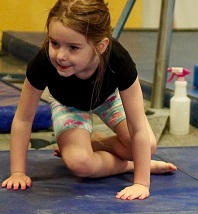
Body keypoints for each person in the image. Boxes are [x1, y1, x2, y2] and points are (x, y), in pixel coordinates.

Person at [2, 0, 176, 200]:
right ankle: (126, 165)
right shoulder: (42, 63)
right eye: (54, 43)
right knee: (80, 163)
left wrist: (141, 183)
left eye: (74, 47)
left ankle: (95, 143)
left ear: (100, 46)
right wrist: (18, 172)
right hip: (68, 105)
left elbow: (137, 127)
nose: (60, 55)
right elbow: (23, 119)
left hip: (108, 98)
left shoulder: (119, 61)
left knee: (148, 145)